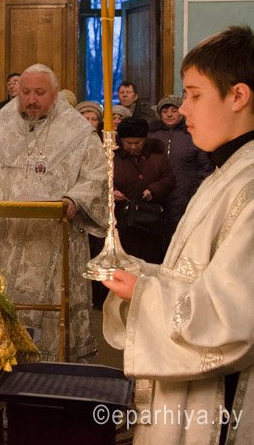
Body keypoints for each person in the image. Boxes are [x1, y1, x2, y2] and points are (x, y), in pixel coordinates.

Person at [104, 25, 254, 444]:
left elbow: (232, 321)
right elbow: (196, 275)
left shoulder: (248, 185)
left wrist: (143, 292)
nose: (183, 108)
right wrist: (141, 272)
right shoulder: (227, 171)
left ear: (238, 96)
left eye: (194, 94)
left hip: (222, 406)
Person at [0, 64, 108, 361]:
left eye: (39, 92)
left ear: (55, 93)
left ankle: (54, 370)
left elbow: (97, 176)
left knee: (53, 314)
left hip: (54, 240)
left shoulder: (78, 131)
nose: (31, 99)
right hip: (3, 239)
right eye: (25, 92)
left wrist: (74, 199)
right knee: (1, 306)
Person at [149, 94, 213, 242]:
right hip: (156, 195)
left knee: (179, 236)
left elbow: (205, 168)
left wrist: (198, 193)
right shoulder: (152, 135)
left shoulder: (192, 134)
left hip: (185, 196)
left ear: (182, 112)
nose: (169, 115)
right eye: (165, 111)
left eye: (174, 110)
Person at [112, 117, 175, 263]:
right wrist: (112, 191)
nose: (133, 147)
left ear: (145, 140)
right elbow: (102, 179)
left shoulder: (157, 154)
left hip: (148, 221)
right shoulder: (112, 155)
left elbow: (169, 178)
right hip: (120, 220)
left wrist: (153, 190)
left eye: (137, 143)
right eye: (128, 143)